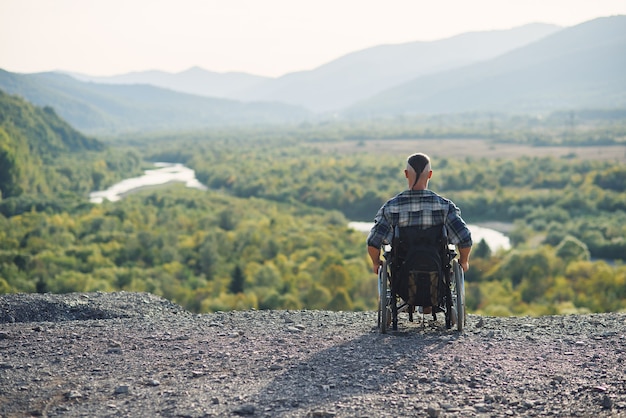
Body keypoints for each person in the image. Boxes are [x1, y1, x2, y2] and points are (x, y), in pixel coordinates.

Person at [366, 153, 473, 313]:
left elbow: (373, 242)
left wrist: (376, 263)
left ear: (406, 174)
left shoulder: (391, 207)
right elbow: (465, 238)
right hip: (437, 274)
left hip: (402, 279)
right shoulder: (444, 207)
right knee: (443, 262)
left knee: (395, 262)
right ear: (430, 175)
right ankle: (430, 303)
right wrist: (464, 261)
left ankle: (409, 300)